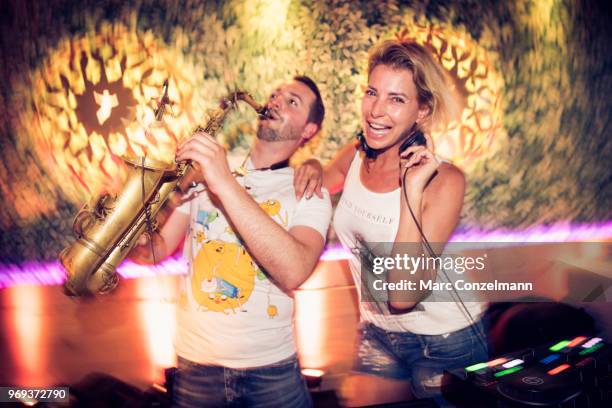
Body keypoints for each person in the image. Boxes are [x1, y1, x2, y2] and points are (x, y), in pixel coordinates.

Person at [294, 40, 487, 406]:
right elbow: (326, 177)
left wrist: (410, 191)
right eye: (372, 92)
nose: (376, 110)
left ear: (422, 110)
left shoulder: (445, 181)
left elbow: (402, 296)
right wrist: (314, 165)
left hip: (446, 338)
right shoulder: (356, 154)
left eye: (397, 99)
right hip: (378, 331)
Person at [132, 76, 332, 407]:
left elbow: (294, 271)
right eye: (275, 94)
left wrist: (222, 180)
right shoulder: (207, 173)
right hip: (195, 369)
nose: (276, 100)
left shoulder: (309, 191)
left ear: (309, 130)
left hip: (272, 371)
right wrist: (129, 236)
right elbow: (158, 249)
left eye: (292, 101)